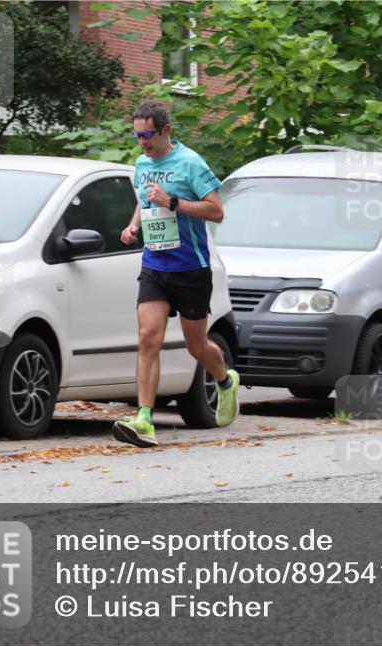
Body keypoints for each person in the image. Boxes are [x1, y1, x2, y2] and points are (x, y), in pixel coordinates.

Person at [112, 101, 239, 447]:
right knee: (147, 336)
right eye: (137, 135)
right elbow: (144, 198)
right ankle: (144, 420)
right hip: (155, 264)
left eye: (148, 135)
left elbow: (216, 211)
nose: (142, 142)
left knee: (196, 345)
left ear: (166, 131)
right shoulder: (141, 164)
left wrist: (173, 203)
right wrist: (133, 225)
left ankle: (225, 380)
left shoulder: (190, 163)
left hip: (191, 268)